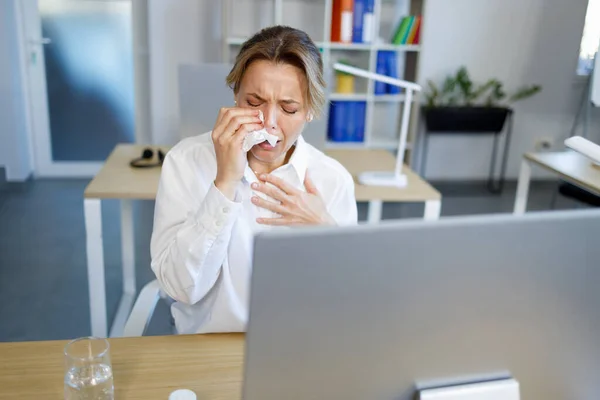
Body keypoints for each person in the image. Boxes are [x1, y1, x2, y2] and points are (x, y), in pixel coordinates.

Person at [150, 25, 357, 334]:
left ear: (310, 111)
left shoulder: (333, 180)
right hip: (208, 347)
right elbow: (180, 288)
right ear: (235, 95)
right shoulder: (186, 161)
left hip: (296, 346)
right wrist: (225, 184)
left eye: (288, 108)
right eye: (254, 102)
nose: (269, 123)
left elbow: (346, 300)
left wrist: (325, 233)